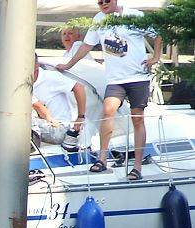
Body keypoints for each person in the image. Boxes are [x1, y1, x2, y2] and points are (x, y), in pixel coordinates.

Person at [57, 0, 162, 180]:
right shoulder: (99, 19)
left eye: (107, 1)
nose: (103, 4)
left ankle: (137, 167)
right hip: (115, 79)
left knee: (137, 119)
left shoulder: (134, 15)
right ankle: (102, 158)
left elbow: (158, 33)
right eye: (100, 2)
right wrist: (69, 64)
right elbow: (86, 45)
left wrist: (156, 57)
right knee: (108, 110)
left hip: (137, 77)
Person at [32, 55, 87, 150]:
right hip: (45, 124)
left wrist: (81, 116)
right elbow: (37, 105)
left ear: (37, 65)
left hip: (60, 128)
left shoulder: (50, 77)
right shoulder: (24, 82)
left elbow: (78, 87)